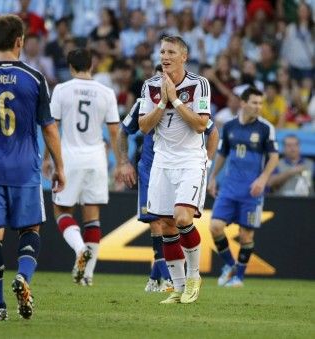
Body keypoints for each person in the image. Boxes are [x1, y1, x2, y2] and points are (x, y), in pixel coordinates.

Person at [0, 15, 65, 321]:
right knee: (30, 229)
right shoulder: (35, 79)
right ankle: (23, 278)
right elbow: (49, 129)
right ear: (19, 41)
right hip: (25, 167)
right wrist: (59, 166)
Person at [138, 36, 212, 304]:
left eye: (171, 52)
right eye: (161, 52)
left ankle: (194, 276)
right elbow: (144, 126)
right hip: (162, 161)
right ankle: (179, 288)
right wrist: (162, 103)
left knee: (182, 218)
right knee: (166, 224)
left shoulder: (199, 84)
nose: (165, 56)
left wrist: (176, 102)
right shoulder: (150, 86)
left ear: (184, 56)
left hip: (190, 160)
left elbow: (201, 125)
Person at [117, 99, 219, 293]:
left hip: (183, 168)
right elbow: (123, 130)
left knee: (178, 220)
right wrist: (123, 161)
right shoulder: (144, 102)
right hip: (151, 170)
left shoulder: (187, 99)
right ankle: (169, 279)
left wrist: (206, 161)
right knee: (159, 223)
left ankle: (164, 277)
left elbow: (211, 130)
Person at [43, 48, 120, 286]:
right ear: (92, 65)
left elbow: (52, 127)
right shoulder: (106, 92)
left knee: (61, 211)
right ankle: (87, 275)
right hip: (96, 158)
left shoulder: (61, 90)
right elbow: (115, 130)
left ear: (70, 67)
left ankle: (79, 250)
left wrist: (47, 158)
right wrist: (120, 162)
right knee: (92, 217)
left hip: (69, 157)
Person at [208, 87, 279, 288]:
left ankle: (239, 278)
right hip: (229, 188)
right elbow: (222, 153)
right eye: (255, 102)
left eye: (261, 103)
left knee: (246, 235)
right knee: (215, 227)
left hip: (252, 191)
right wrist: (213, 177)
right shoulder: (229, 127)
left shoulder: (265, 128)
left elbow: (274, 157)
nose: (259, 107)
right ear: (243, 103)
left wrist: (263, 179)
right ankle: (231, 265)